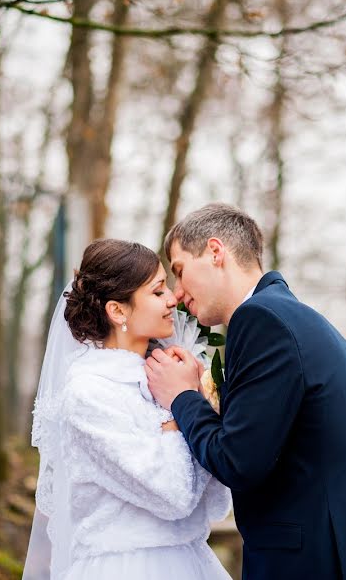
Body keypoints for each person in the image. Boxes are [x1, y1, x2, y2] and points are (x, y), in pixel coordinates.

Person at [146, 203, 346, 580]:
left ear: (216, 252)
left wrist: (182, 397)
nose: (178, 293)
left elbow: (238, 461)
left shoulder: (262, 321)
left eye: (180, 271)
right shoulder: (296, 318)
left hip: (310, 563)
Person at [23, 239, 231, 580]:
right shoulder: (89, 392)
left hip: (191, 560)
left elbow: (214, 502)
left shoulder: (168, 376)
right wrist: (176, 412)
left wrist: (197, 400)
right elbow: (174, 496)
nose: (173, 299)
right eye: (158, 291)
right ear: (118, 311)